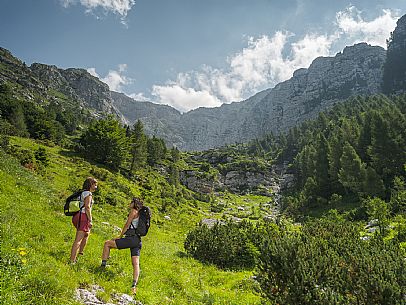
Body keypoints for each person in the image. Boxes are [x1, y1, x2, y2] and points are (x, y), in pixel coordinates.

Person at [101, 197, 143, 294]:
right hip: (137, 240)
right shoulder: (141, 213)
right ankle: (134, 285)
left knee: (107, 243)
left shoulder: (133, 211)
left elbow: (127, 224)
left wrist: (120, 236)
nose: (130, 203)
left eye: (131, 201)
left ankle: (102, 267)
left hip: (130, 238)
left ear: (134, 203)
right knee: (136, 263)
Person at [69, 177, 98, 264]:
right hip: (83, 217)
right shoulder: (88, 194)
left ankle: (80, 253)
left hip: (77, 215)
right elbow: (87, 207)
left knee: (86, 234)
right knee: (78, 239)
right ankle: (72, 261)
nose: (96, 187)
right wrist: (90, 219)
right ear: (91, 185)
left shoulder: (82, 192)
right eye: (95, 184)